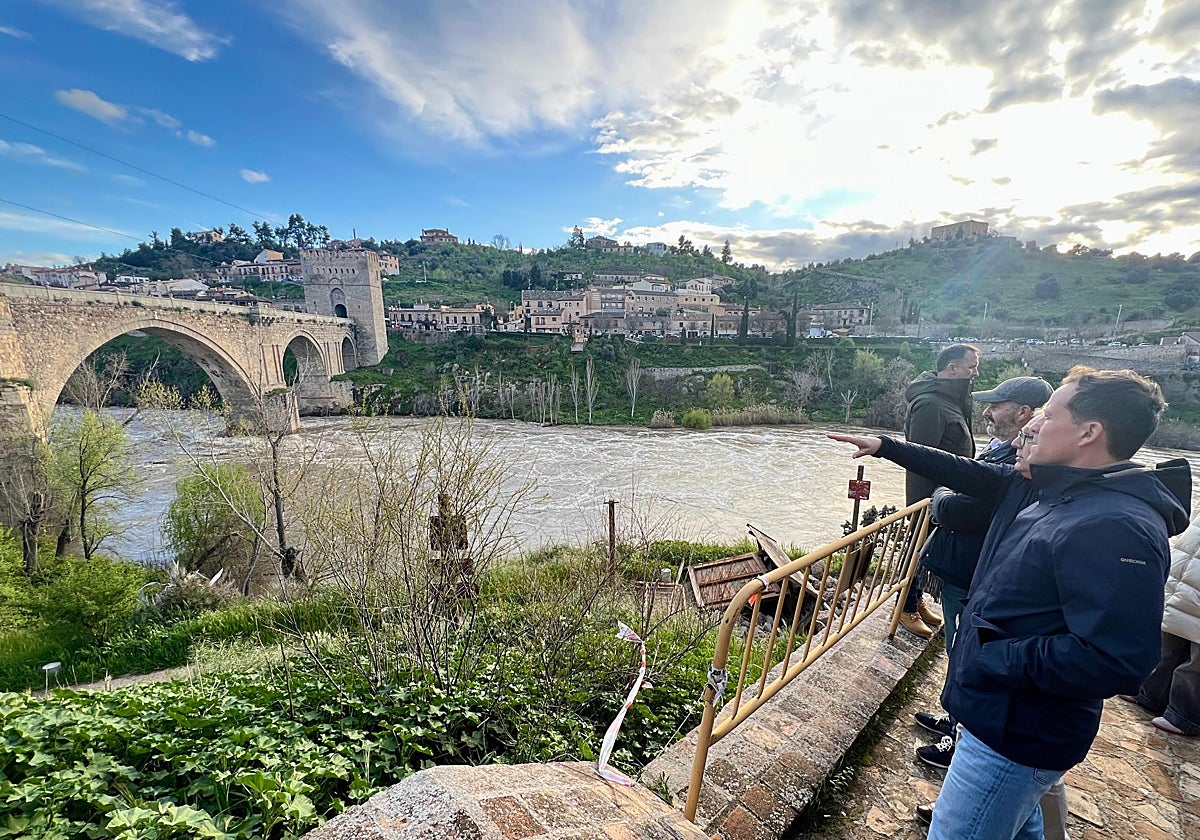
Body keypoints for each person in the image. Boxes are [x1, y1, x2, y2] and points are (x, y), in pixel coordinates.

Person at [830, 366, 1191, 840]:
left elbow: (1118, 658)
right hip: (999, 715)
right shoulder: (1063, 494)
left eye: (1049, 414)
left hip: (1014, 731)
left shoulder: (1114, 524)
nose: (1034, 425)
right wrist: (889, 447)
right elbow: (970, 472)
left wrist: (993, 656)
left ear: (1089, 432)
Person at [913, 376, 1053, 775]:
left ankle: (957, 737)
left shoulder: (1018, 465)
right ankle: (954, 721)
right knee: (957, 653)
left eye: (997, 404)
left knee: (964, 656)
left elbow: (957, 508)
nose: (988, 411)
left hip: (970, 573)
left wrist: (940, 496)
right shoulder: (1006, 455)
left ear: (1024, 412)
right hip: (964, 569)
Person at [899, 343, 980, 638]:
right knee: (918, 549)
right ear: (952, 368)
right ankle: (904, 608)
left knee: (928, 552)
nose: (976, 372)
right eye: (971, 366)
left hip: (947, 494)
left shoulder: (953, 400)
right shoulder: (930, 404)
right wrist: (926, 504)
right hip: (930, 497)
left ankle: (916, 600)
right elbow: (919, 458)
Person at [1125, 512, 1200, 736]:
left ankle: (1185, 715)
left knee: (1196, 660)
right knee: (1169, 636)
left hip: (1191, 572)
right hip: (1188, 569)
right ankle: (1150, 693)